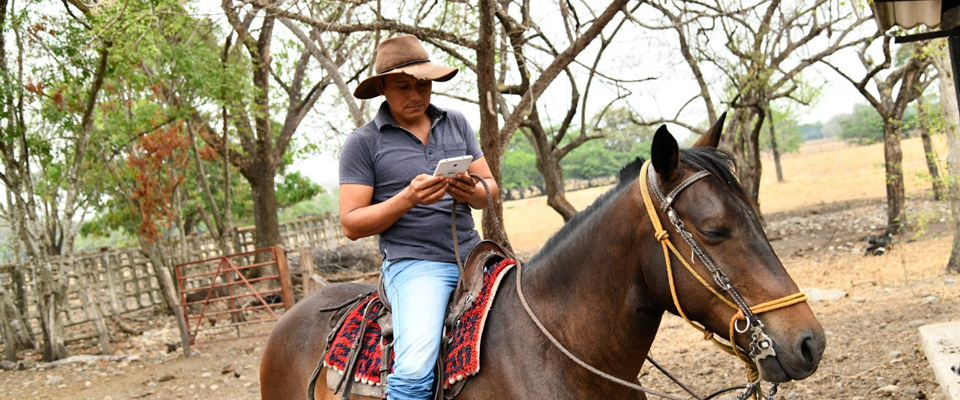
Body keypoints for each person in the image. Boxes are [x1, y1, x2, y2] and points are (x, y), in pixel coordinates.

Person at [338, 35, 498, 400]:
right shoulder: (363, 143)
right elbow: (350, 224)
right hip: (417, 265)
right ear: (381, 87)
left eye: (423, 84)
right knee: (413, 372)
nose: (416, 94)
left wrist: (470, 191)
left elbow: (490, 189)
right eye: (403, 86)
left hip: (477, 257)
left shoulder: (455, 122)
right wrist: (407, 199)